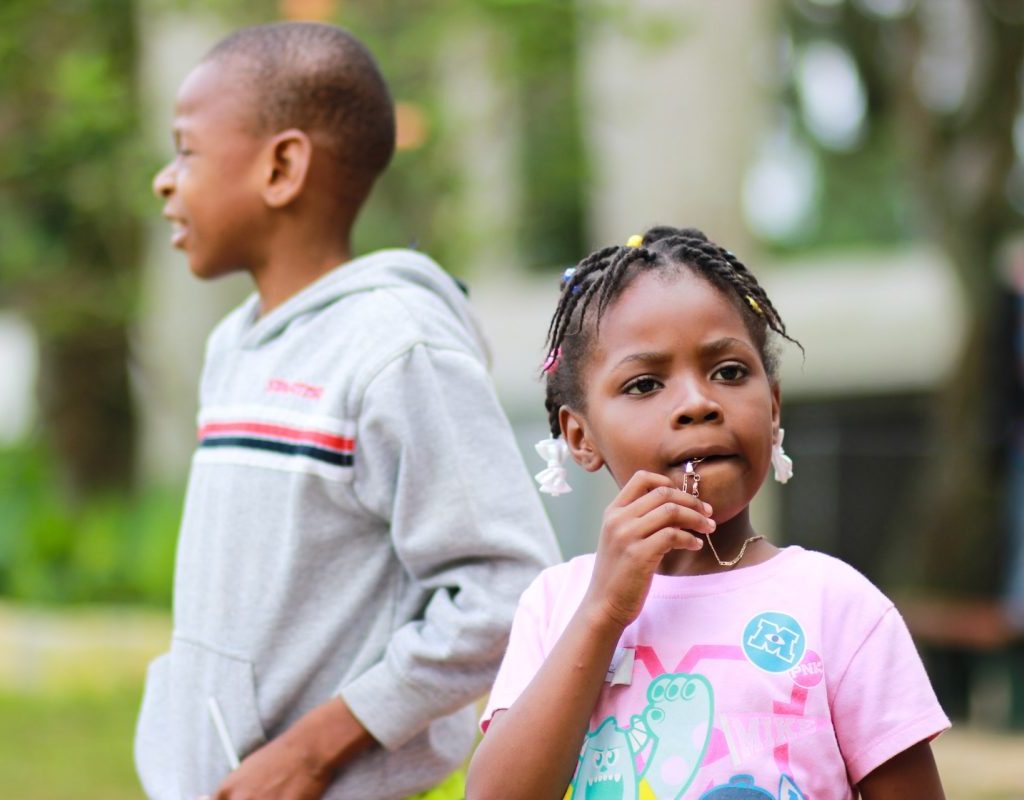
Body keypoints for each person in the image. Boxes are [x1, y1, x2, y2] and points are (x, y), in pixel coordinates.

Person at [135, 21, 560, 800]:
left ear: (283, 166)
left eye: (187, 150)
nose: (166, 179)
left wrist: (315, 748)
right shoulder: (233, 345)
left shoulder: (400, 348)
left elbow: (509, 589)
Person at [466, 226, 950, 799]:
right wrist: (603, 611)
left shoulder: (840, 608)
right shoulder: (557, 606)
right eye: (645, 384)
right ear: (581, 436)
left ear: (772, 407)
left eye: (728, 372)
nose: (698, 403)